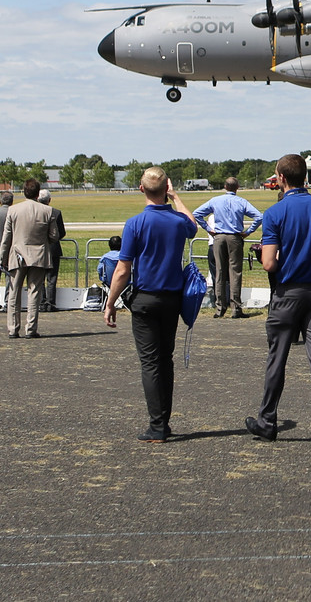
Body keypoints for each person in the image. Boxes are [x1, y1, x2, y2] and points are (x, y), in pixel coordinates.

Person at [246, 154, 311, 450]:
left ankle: (268, 420)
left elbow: (269, 264)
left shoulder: (275, 213)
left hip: (287, 293)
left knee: (278, 357)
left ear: (282, 179)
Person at [102, 169, 197, 443]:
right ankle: (163, 421)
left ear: (141, 189)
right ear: (165, 187)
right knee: (165, 361)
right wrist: (175, 196)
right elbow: (193, 224)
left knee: (150, 363)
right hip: (172, 299)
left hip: (145, 299)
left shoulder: (135, 223)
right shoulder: (178, 221)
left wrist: (110, 302)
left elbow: (122, 269)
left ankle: (157, 426)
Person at [193, 177, 263, 319]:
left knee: (219, 272)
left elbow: (197, 214)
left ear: (225, 186)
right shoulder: (241, 201)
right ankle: (235, 308)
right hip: (235, 237)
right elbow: (259, 216)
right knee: (235, 272)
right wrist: (248, 232)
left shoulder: (215, 200)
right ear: (237, 187)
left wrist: (208, 229)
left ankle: (219, 308)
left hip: (218, 237)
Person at [1, 180, 59, 338]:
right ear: (37, 192)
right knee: (34, 292)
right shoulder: (48, 211)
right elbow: (54, 236)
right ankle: (31, 329)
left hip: (17, 255)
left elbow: (6, 238)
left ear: (23, 191)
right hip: (38, 255)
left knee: (14, 292)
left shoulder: (13, 210)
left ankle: (13, 328)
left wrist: (2, 257)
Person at [38, 189, 66, 311]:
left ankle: (41, 302)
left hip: (38, 248)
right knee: (52, 278)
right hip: (53, 248)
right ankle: (50, 303)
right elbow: (62, 232)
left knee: (39, 278)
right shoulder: (56, 212)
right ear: (49, 200)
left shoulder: (34, 212)